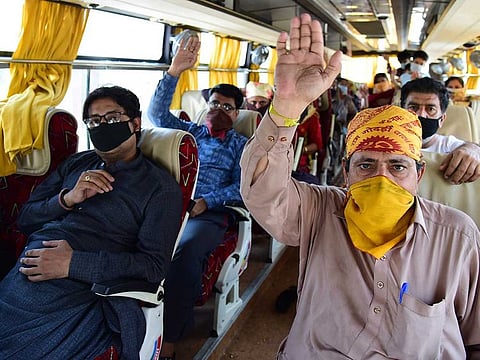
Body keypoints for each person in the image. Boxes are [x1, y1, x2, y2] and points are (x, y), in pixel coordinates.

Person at [240, 13, 480, 359]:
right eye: (366, 165)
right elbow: (261, 190)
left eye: (397, 166)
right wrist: (287, 106)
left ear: (419, 173)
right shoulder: (319, 211)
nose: (382, 179)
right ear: (346, 172)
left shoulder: (458, 238)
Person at [0, 86, 183, 359]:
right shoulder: (76, 164)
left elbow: (154, 267)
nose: (101, 126)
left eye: (111, 119)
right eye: (94, 121)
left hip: (82, 287)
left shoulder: (159, 189)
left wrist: (72, 264)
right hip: (25, 273)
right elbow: (25, 219)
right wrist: (67, 199)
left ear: (135, 123)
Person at [147, 36, 248, 360]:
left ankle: (173, 335)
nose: (219, 110)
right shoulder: (189, 132)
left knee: (186, 252)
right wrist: (174, 71)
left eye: (227, 107)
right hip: (172, 205)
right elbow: (156, 114)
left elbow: (243, 187)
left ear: (236, 114)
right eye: (214, 103)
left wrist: (209, 201)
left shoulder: (241, 145)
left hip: (209, 213)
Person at [401, 76, 480, 184]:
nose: (420, 114)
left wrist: (473, 150)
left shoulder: (447, 146)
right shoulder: (385, 143)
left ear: (441, 119)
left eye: (430, 109)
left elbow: (474, 150)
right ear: (401, 113)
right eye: (413, 107)